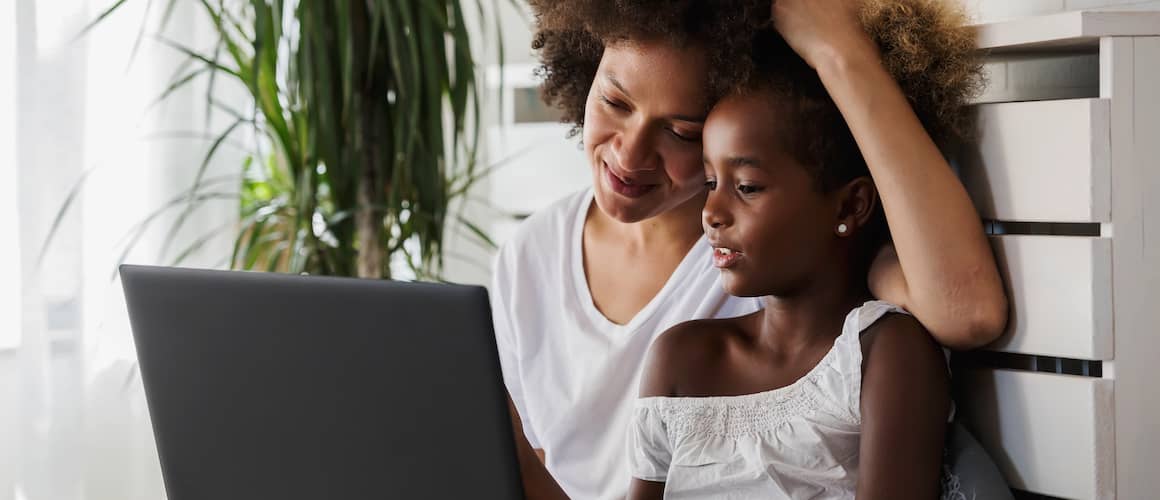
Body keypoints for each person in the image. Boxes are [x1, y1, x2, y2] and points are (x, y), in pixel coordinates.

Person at [490, 0, 1008, 498]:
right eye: (615, 101)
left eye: (681, 131)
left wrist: (839, 52)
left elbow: (969, 313)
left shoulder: (778, 255)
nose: (630, 152)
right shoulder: (528, 257)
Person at [626, 1, 979, 497]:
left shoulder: (883, 354)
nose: (711, 212)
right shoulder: (681, 357)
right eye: (710, 181)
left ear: (851, 204)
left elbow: (967, 310)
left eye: (747, 187)